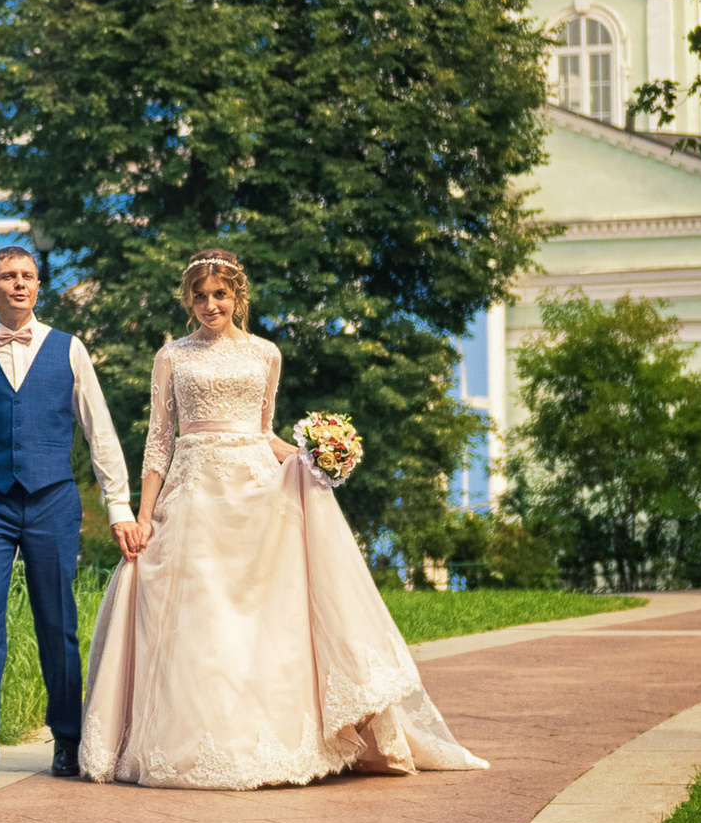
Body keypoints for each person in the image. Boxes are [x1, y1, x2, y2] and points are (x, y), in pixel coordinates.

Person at [79, 248, 482, 789]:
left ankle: (270, 738)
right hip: (195, 493)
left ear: (237, 297)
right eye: (200, 296)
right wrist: (144, 515)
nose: (209, 304)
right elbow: (159, 441)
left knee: (262, 619)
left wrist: (313, 456)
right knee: (201, 618)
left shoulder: (267, 354)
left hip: (255, 495)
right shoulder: (171, 356)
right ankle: (192, 742)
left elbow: (265, 433)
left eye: (220, 294)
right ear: (188, 301)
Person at [0, 242, 138, 790]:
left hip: (52, 500)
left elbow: (101, 433)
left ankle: (68, 739)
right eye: (7, 276)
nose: (19, 283)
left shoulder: (69, 350)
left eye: (28, 275)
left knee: (56, 623)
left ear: (38, 286)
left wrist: (120, 507)